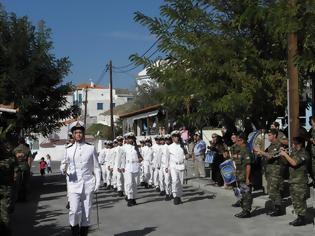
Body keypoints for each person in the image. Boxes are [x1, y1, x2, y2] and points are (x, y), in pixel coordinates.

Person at [60, 121, 101, 236]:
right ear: (72, 134)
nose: (78, 134)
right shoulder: (68, 149)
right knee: (74, 210)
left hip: (88, 183)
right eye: (76, 132)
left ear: (83, 134)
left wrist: (98, 183)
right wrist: (63, 168)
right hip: (73, 184)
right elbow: (63, 163)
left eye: (80, 132)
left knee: (87, 211)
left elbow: (97, 167)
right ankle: (74, 231)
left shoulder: (91, 148)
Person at [280, 137, 309, 226]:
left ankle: (302, 219)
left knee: (300, 200)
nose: (292, 145)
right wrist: (283, 155)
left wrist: (286, 154)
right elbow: (286, 162)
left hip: (300, 181)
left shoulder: (304, 153)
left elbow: (294, 163)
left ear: (299, 144)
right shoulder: (294, 152)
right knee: (295, 200)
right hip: (293, 180)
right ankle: (299, 217)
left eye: (293, 144)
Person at [255, 129, 284, 216]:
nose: (268, 137)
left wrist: (260, 151)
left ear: (275, 135)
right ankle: (275, 207)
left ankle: (278, 209)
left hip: (276, 170)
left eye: (270, 135)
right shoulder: (271, 145)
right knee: (271, 190)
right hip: (270, 170)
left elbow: (271, 156)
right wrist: (260, 154)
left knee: (275, 189)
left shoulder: (278, 144)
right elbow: (267, 156)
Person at [0, 136, 19, 236]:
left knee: (5, 215)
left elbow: (15, 170)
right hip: (6, 188)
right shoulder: (10, 157)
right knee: (5, 214)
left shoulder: (10, 157)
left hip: (5, 189)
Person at [233, 133, 253, 218]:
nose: (236, 142)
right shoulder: (240, 150)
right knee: (241, 194)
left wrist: (248, 178)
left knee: (246, 194)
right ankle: (243, 209)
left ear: (242, 140)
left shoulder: (246, 151)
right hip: (239, 176)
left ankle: (247, 211)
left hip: (244, 176)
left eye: (238, 140)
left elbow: (248, 165)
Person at [122, 132, 142, 207]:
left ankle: (133, 198)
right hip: (127, 167)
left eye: (131, 138)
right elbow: (122, 158)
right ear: (126, 140)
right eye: (128, 138)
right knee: (129, 183)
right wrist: (122, 167)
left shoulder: (136, 148)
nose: (130, 140)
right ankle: (130, 198)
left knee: (135, 184)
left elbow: (140, 157)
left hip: (135, 166)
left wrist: (140, 159)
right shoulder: (124, 148)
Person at [168, 130, 187, 205]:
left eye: (177, 136)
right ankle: (175, 196)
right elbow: (167, 158)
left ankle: (179, 196)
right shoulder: (169, 147)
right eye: (175, 136)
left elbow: (186, 155)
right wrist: (166, 167)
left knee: (180, 183)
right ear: (172, 138)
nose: (176, 138)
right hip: (173, 166)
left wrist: (187, 156)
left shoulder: (183, 146)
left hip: (181, 165)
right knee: (175, 180)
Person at [13, 137, 32, 202]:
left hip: (17, 168)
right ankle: (24, 198)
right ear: (24, 142)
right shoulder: (27, 149)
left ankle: (18, 198)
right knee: (25, 183)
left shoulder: (15, 149)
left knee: (17, 183)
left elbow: (13, 160)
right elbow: (29, 160)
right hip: (25, 167)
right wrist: (29, 168)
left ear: (18, 142)